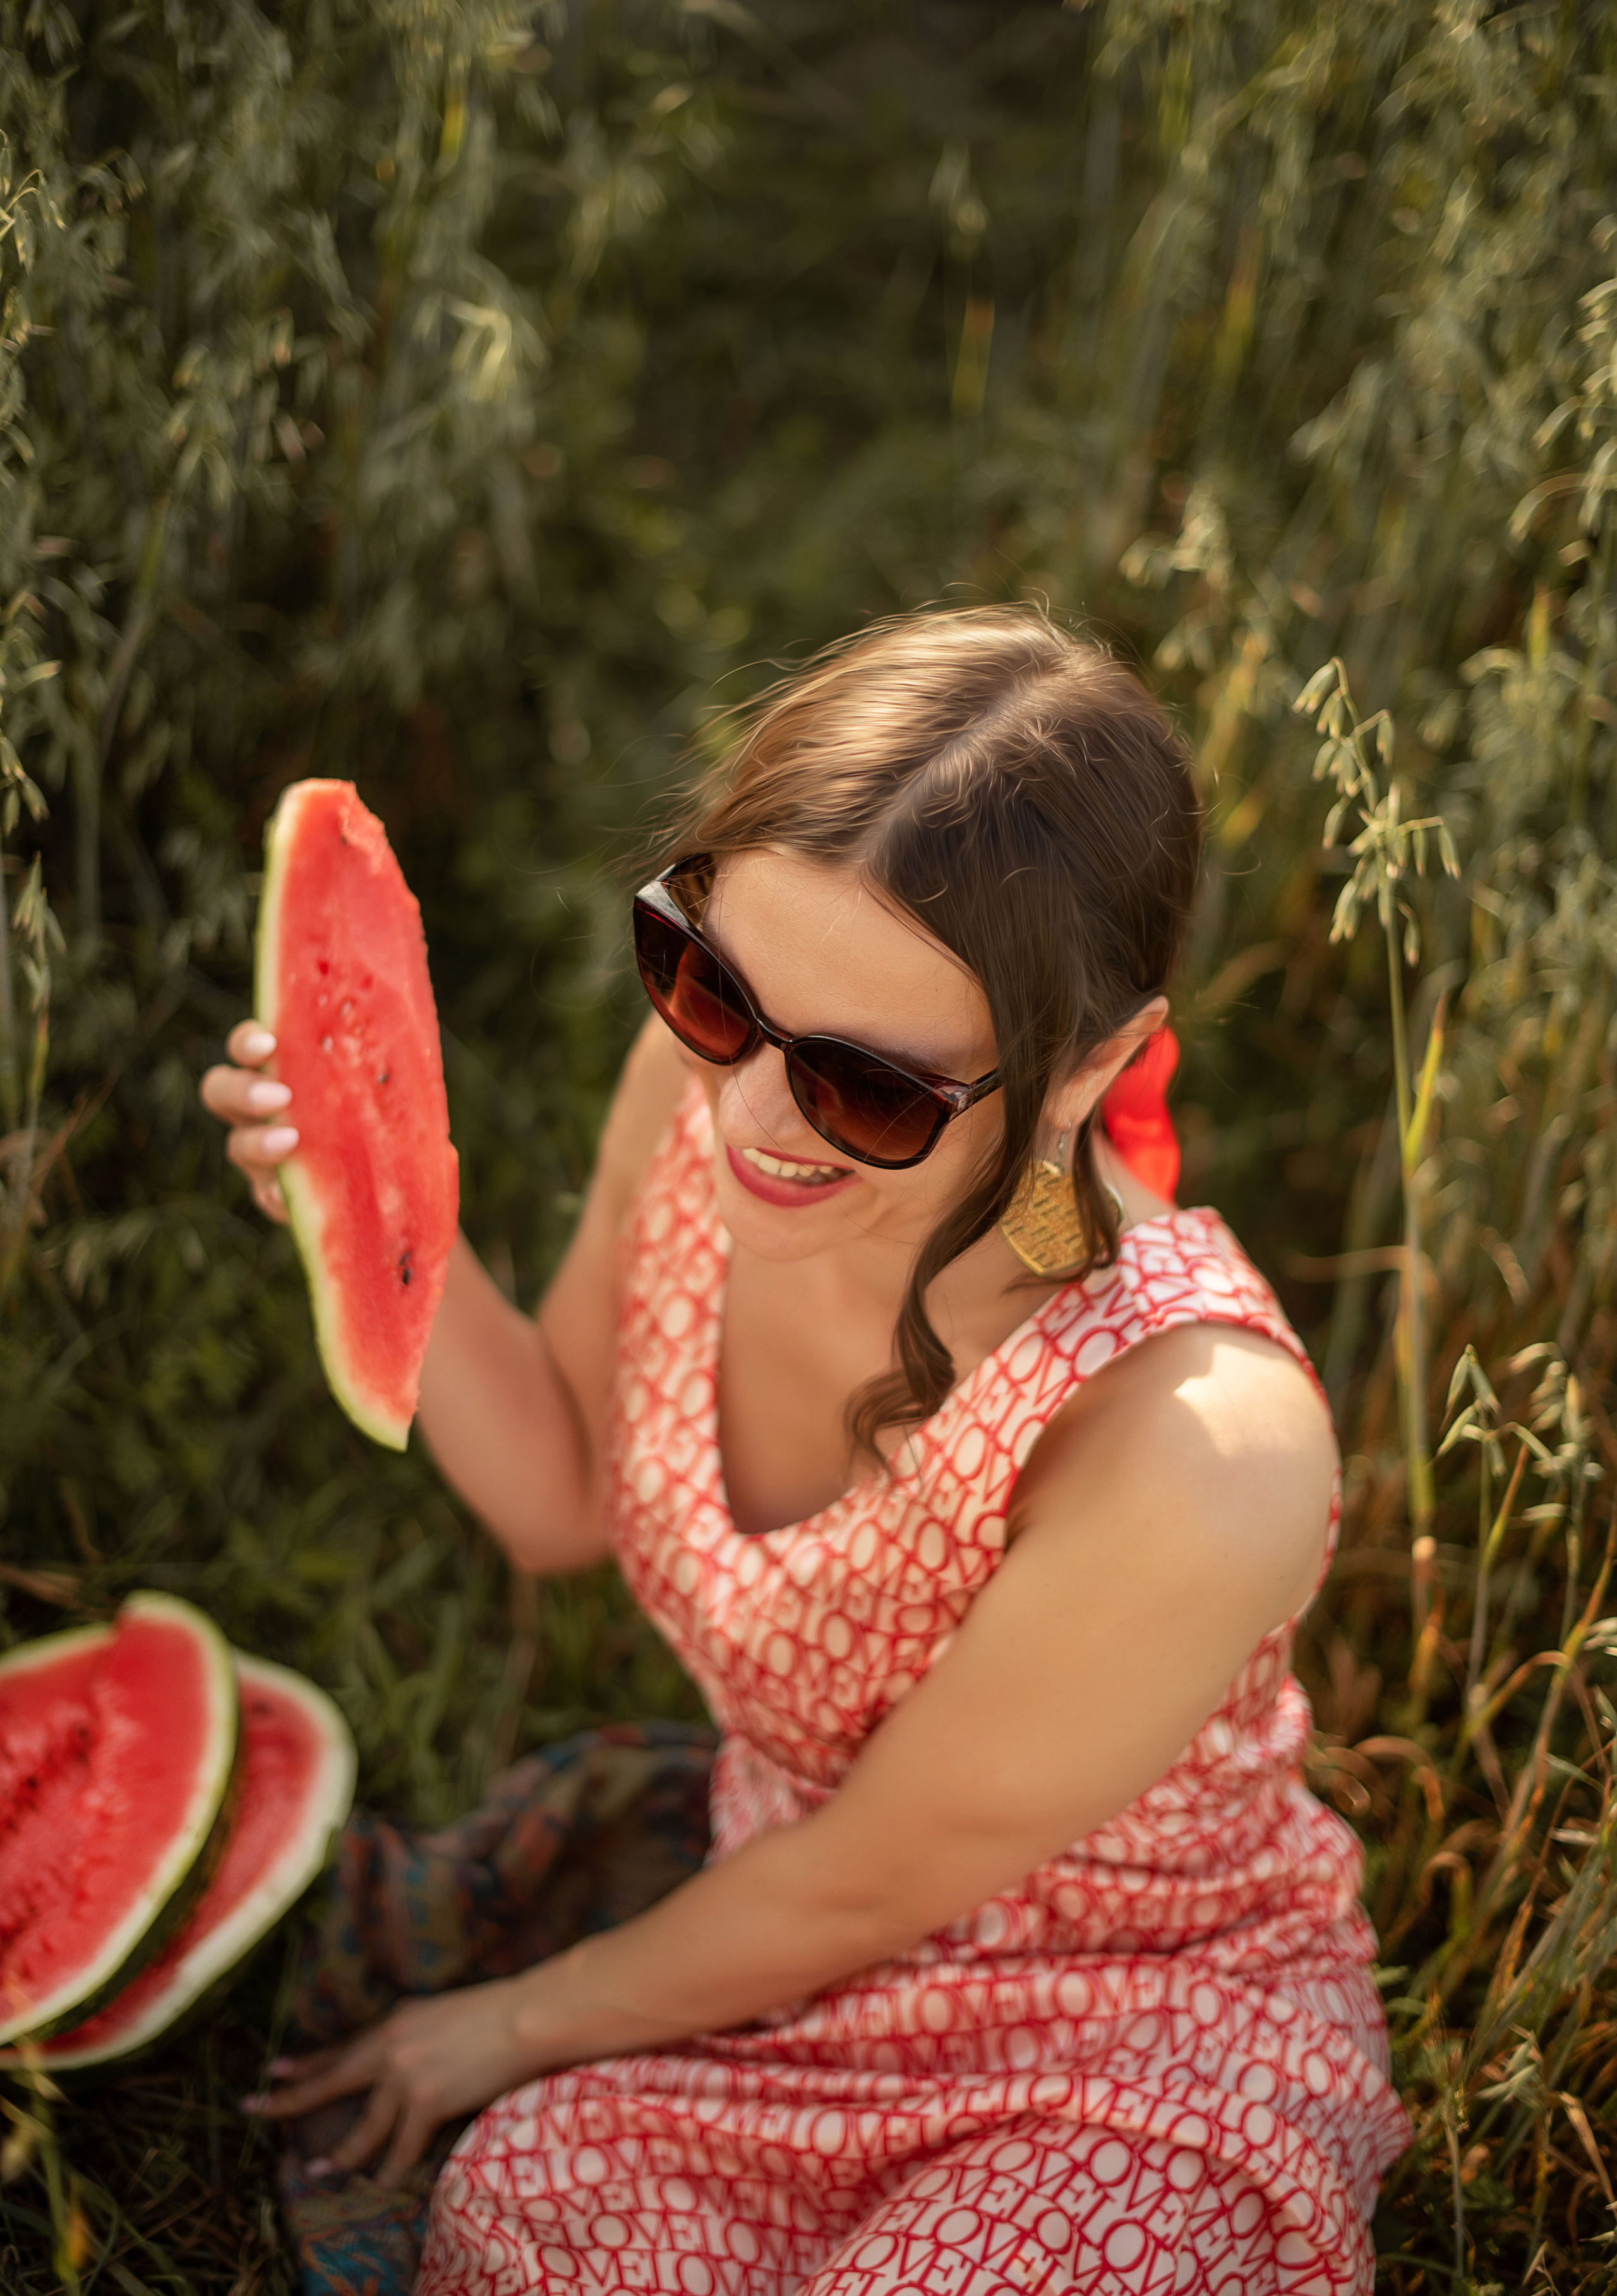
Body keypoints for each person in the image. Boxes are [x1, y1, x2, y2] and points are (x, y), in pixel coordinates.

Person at [202, 607, 1408, 2296]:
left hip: (1137, 2024)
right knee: (511, 2209)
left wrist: (509, 2021)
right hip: (791, 1958)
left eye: (869, 1087)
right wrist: (365, 1199)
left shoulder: (1197, 1444)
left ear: (1090, 1069)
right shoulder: (712, 1087)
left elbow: (861, 1881)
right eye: (709, 981)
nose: (752, 1117)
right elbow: (559, 1494)